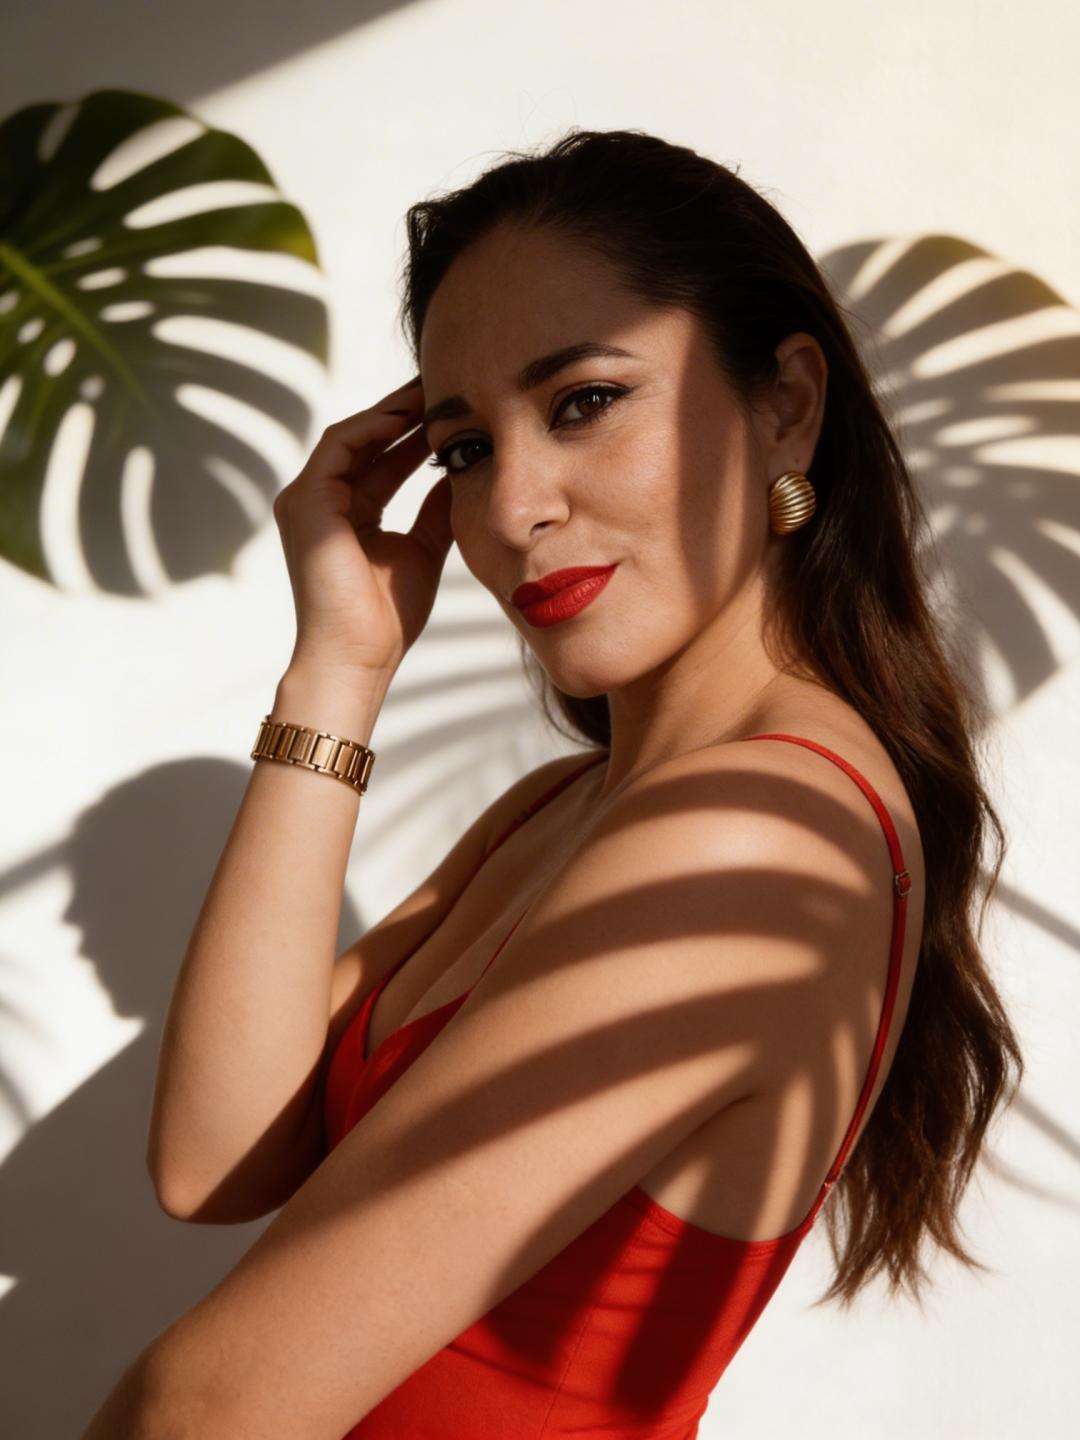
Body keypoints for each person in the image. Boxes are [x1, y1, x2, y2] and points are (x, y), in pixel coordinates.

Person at [84, 129, 1024, 1439]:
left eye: (583, 401)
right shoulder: (562, 810)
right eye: (466, 448)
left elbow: (207, 1406)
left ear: (787, 405)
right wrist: (338, 668)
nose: (513, 506)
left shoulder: (757, 835)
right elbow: (212, 1160)